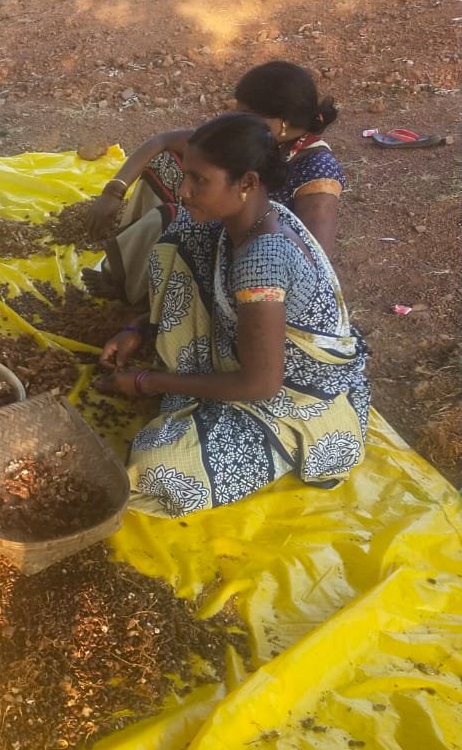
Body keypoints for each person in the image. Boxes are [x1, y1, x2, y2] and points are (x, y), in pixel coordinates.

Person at [96, 112, 369, 518]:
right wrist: (139, 328)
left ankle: (273, 436)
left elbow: (262, 384)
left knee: (158, 470)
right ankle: (187, 377)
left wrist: (145, 380)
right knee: (181, 234)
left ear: (247, 183)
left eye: (200, 181)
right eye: (186, 175)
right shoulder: (237, 222)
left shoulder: (263, 260)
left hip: (299, 401)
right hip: (249, 363)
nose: (184, 191)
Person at [84, 61, 345, 303]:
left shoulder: (317, 170)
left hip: (255, 260)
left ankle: (141, 292)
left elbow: (314, 265)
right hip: (230, 226)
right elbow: (162, 142)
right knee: (166, 165)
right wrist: (114, 191)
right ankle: (130, 269)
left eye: (248, 114)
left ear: (283, 122)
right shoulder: (256, 137)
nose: (239, 121)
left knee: (174, 219)